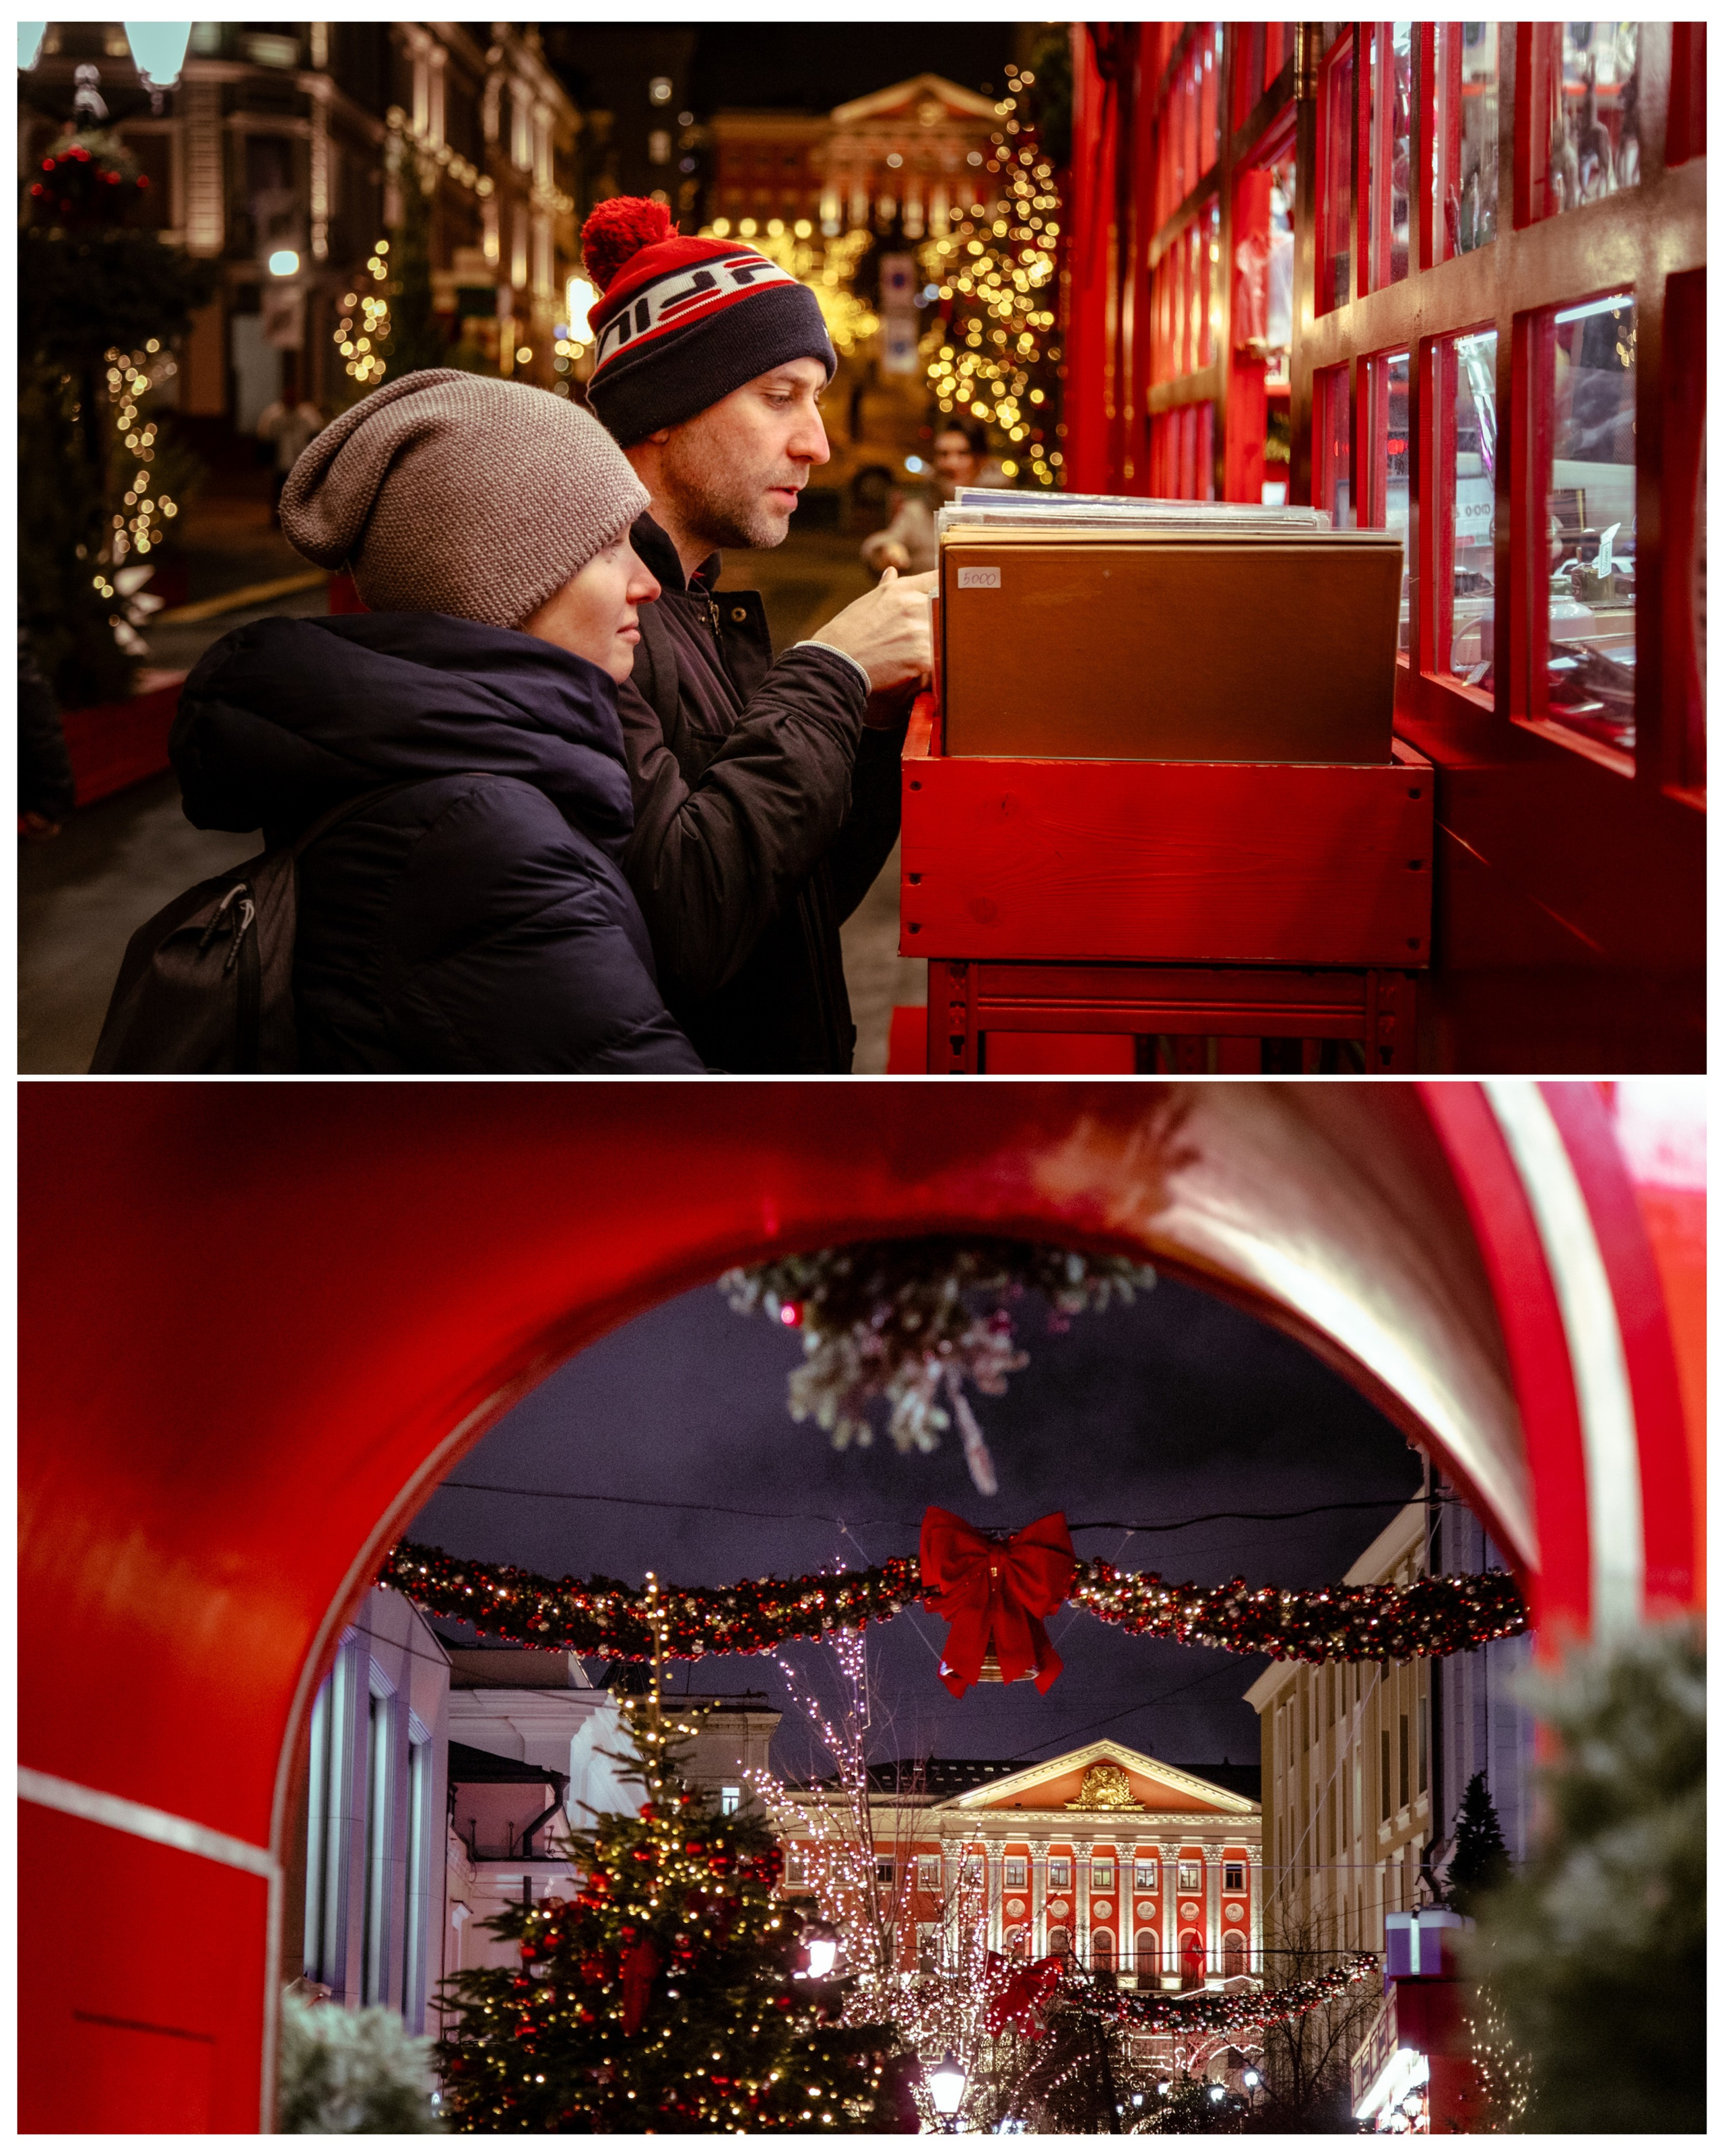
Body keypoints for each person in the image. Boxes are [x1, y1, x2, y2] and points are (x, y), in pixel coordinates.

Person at [169, 369, 703, 1073]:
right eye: (608, 549)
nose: (648, 583)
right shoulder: (482, 840)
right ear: (497, 582)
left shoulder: (436, 776)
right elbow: (661, 1122)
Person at [580, 196, 937, 1074]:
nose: (817, 443)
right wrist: (831, 671)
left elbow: (788, 899)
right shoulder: (589, 619)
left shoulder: (693, 601)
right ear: (661, 409)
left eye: (815, 400)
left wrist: (867, 721)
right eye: (779, 397)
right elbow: (688, 921)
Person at [863, 417, 1005, 576]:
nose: (951, 463)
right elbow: (879, 544)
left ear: (981, 459)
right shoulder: (917, 513)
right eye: (944, 454)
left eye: (963, 453)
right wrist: (887, 551)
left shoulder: (1005, 511)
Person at [257, 393, 324, 520]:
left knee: (300, 491)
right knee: (280, 490)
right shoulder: (273, 415)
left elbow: (315, 436)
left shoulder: (308, 416)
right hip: (280, 461)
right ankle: (278, 516)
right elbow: (265, 439)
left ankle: (298, 517)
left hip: (301, 460)